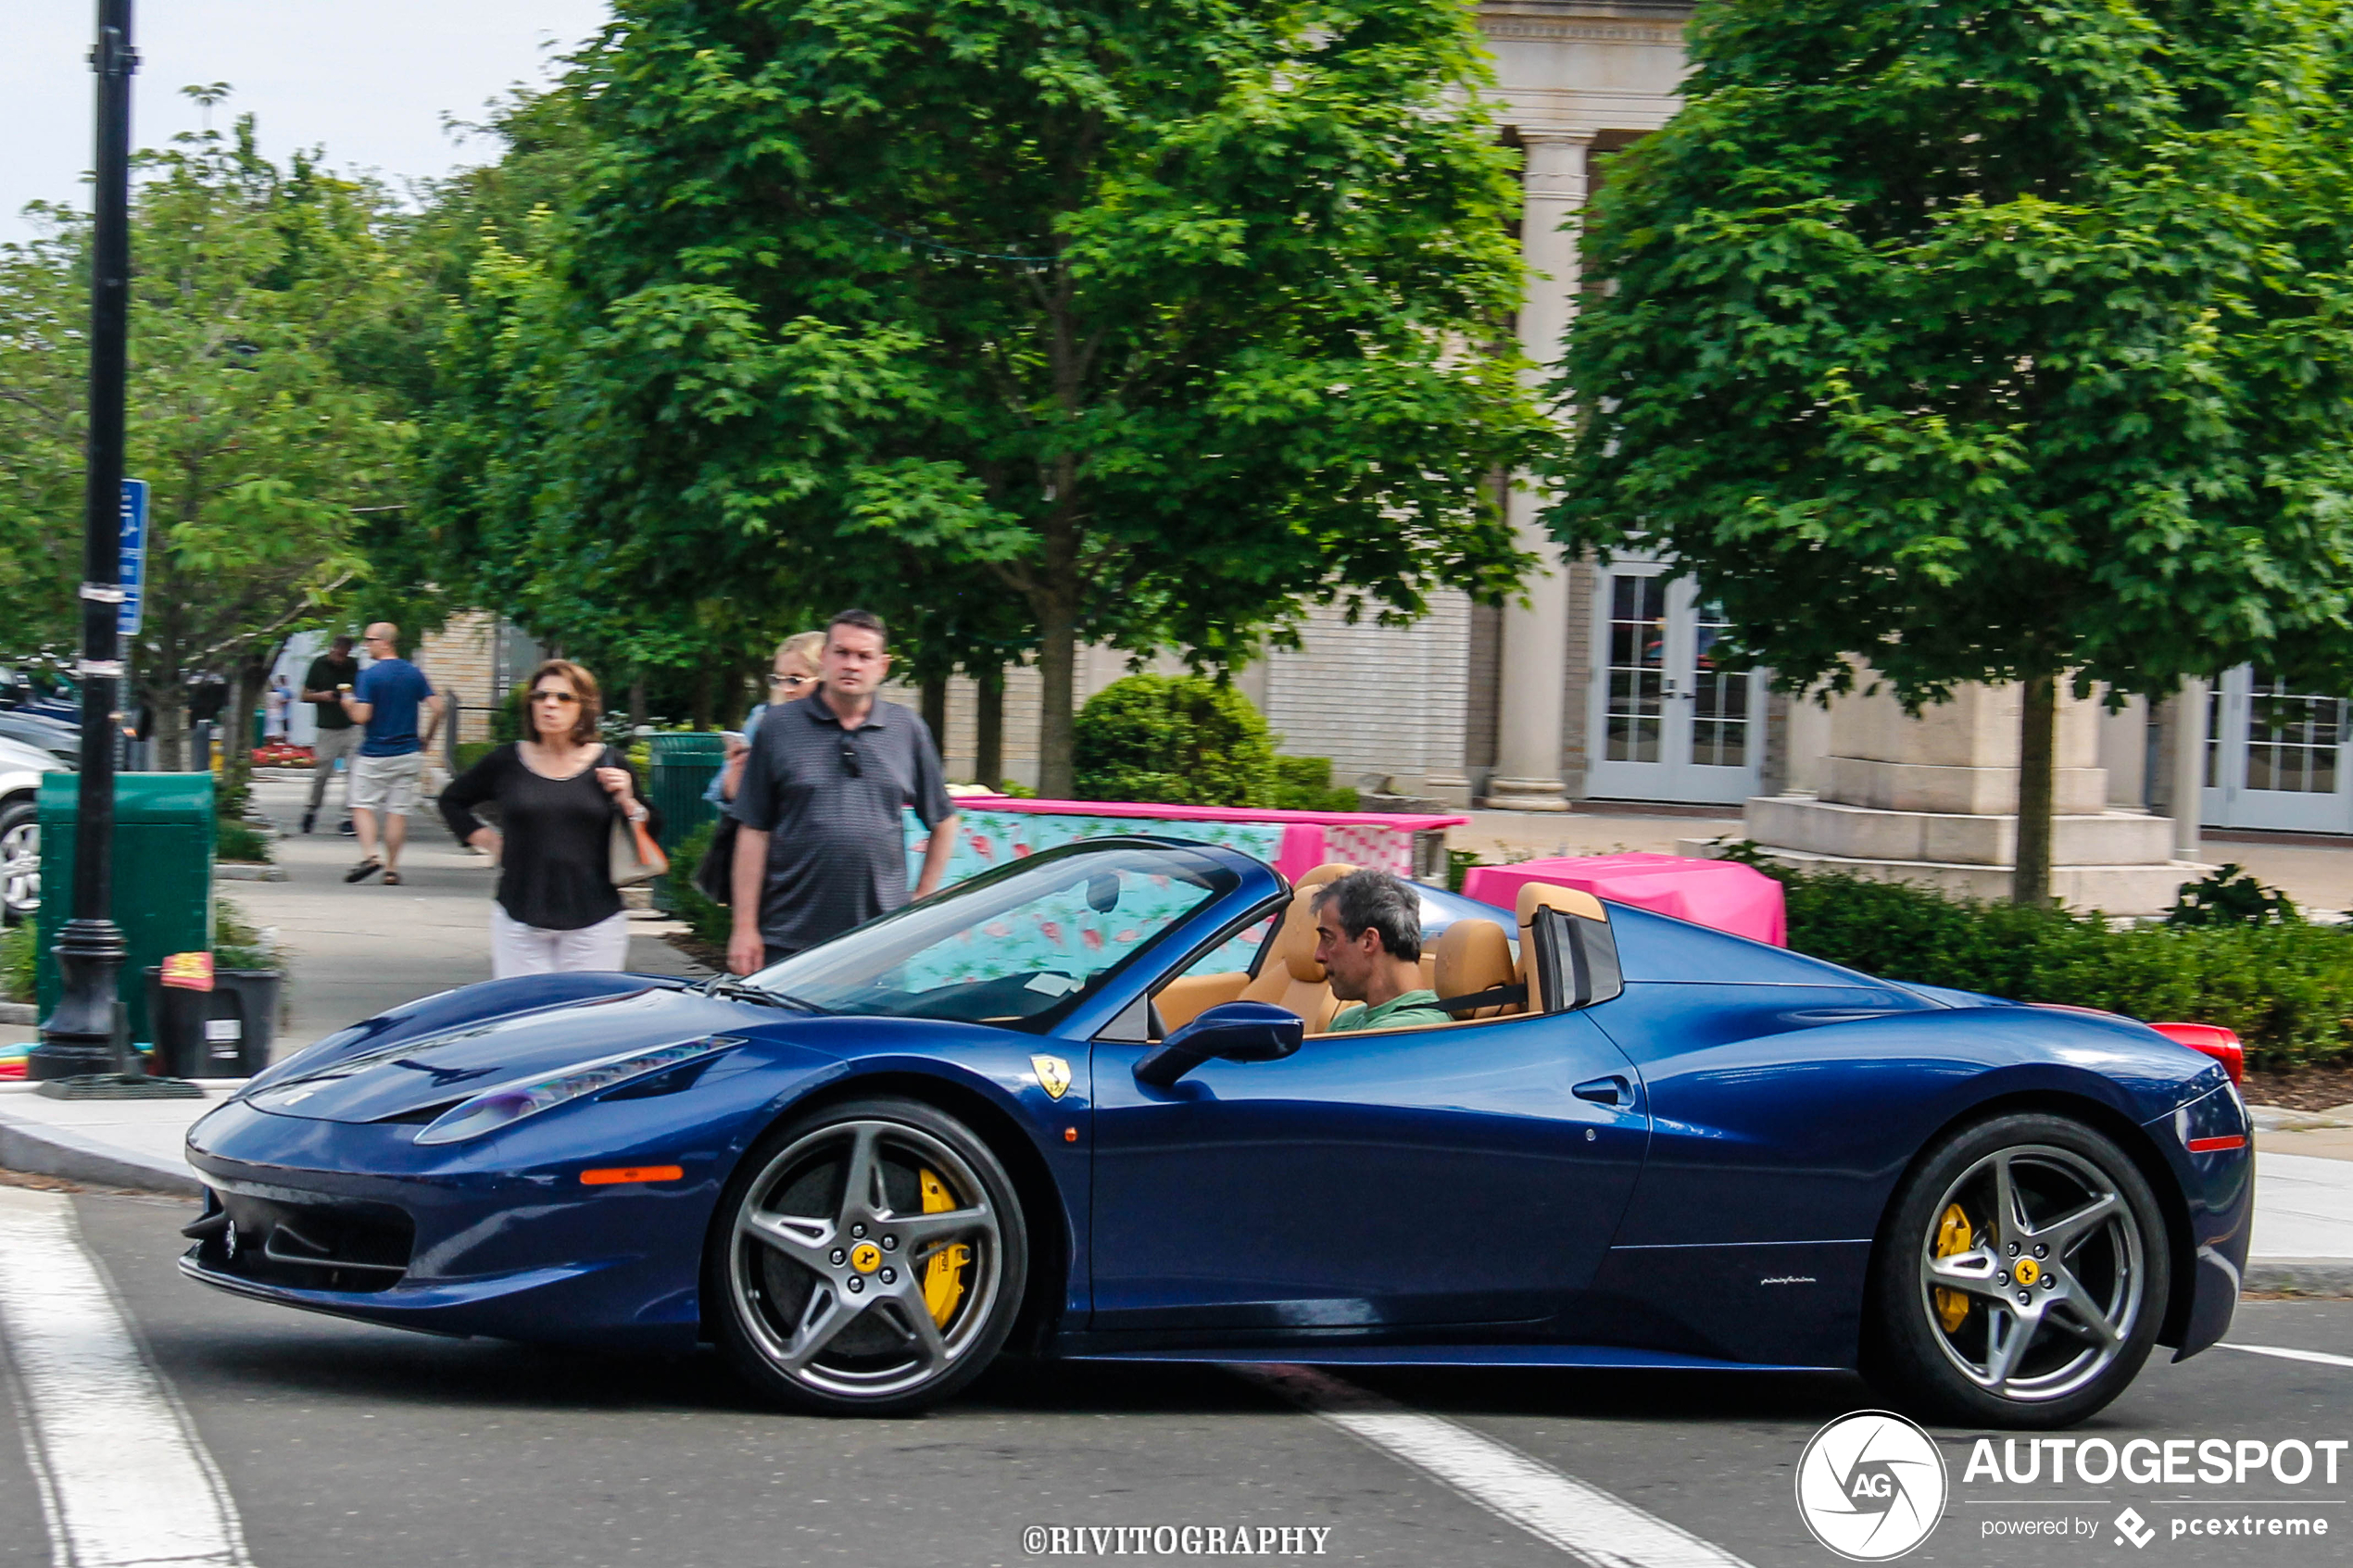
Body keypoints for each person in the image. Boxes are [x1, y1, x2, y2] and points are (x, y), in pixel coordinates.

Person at [726, 608, 960, 973]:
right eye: (842, 652)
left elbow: (944, 821)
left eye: (864, 656)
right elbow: (754, 830)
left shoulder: (907, 729)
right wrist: (744, 928)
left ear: (883, 666)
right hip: (787, 936)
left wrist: (921, 900)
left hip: (879, 938)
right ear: (824, 658)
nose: (852, 664)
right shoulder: (778, 727)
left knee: (868, 1032)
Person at [438, 659, 657, 976]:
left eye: (563, 698)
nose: (550, 705)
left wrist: (628, 800)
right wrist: (487, 840)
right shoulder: (506, 761)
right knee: (525, 1019)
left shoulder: (610, 762)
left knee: (585, 1019)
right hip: (520, 913)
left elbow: (651, 830)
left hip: (594, 917)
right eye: (540, 697)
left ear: (584, 707)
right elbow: (452, 800)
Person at [338, 622, 445, 886]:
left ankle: (371, 855)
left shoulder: (369, 676)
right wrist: (428, 739)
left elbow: (362, 717)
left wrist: (348, 703)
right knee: (397, 812)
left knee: (361, 805)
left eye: (370, 640)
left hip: (375, 753)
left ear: (385, 642)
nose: (366, 645)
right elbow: (439, 708)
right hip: (409, 753)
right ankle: (392, 869)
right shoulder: (414, 674)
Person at [1312, 870, 1451, 1033]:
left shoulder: (1406, 1030)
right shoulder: (1348, 1021)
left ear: (1369, 941)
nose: (1318, 955)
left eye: (1328, 939)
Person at [710, 630, 824, 807]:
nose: (785, 689)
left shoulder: (846, 723)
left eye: (795, 680)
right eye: (777, 679)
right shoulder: (763, 716)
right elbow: (727, 797)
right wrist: (737, 769)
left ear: (825, 678)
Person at [298, 634, 361, 834]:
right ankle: (311, 809)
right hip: (327, 728)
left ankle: (348, 817)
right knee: (322, 773)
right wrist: (321, 696)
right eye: (337, 653)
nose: (340, 658)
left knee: (354, 772)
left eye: (344, 655)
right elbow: (303, 695)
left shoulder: (355, 666)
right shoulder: (318, 664)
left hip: (352, 726)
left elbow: (364, 693)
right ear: (332, 649)